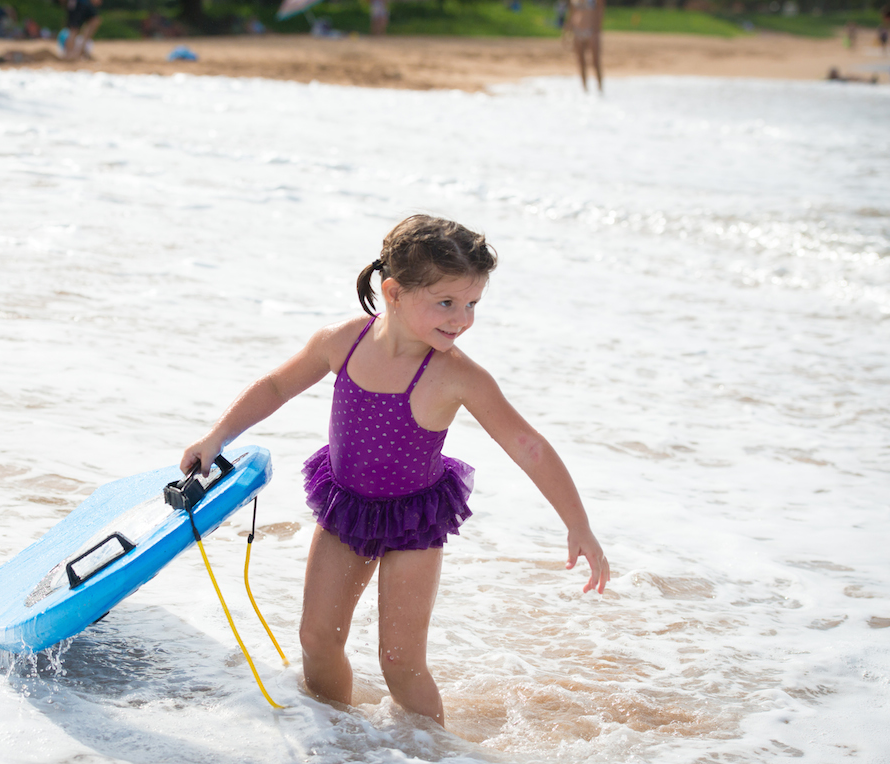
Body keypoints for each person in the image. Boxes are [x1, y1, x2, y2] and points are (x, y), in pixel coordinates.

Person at [181, 215, 610, 726]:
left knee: (400, 661)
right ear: (394, 292)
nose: (462, 319)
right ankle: (340, 740)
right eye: (446, 302)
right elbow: (276, 386)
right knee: (316, 640)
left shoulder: (457, 375)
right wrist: (216, 438)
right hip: (347, 508)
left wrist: (578, 524)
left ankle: (439, 757)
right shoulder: (342, 341)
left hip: (414, 522)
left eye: (473, 304)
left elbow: (528, 446)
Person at [566, 0, 604, 93]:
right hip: (577, 32)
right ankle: (585, 90)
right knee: (581, 62)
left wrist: (597, 30)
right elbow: (572, 13)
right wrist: (566, 33)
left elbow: (600, 11)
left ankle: (600, 89)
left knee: (595, 62)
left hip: (591, 31)